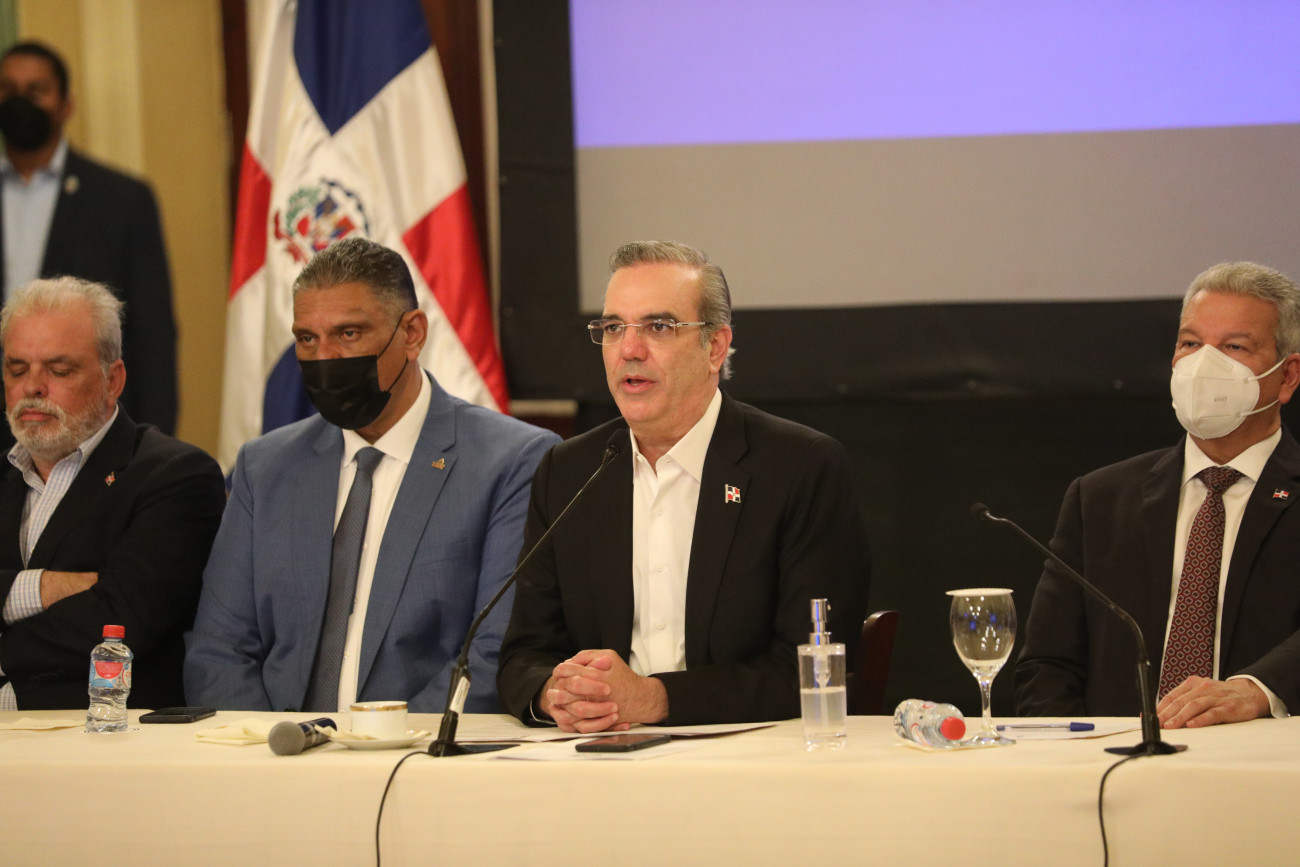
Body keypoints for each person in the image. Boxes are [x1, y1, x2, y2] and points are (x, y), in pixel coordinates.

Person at [496, 240, 870, 731]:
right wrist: (555, 693)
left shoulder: (800, 467)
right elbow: (525, 653)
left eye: (658, 327)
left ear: (714, 347)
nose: (629, 350)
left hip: (748, 755)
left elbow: (809, 666)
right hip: (594, 755)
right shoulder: (568, 472)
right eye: (613, 328)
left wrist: (656, 699)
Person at [185, 237, 559, 713]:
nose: (325, 358)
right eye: (307, 339)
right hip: (274, 751)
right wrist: (271, 749)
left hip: (417, 752)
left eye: (349, 334)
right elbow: (219, 650)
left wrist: (377, 749)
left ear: (412, 334)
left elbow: (493, 657)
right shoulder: (265, 466)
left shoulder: (512, 461)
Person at [1017, 262, 1300, 728]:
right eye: (1190, 343)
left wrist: (1258, 690)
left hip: (1266, 761)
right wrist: (1080, 756)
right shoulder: (1100, 498)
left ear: (1287, 376)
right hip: (1116, 761)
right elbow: (1047, 666)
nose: (1204, 365)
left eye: (1234, 347)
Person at [0, 277, 223, 710]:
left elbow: (118, 623)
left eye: (58, 370)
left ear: (113, 379)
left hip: (101, 735)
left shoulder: (175, 475)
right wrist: (41, 587)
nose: (32, 387)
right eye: (17, 369)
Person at [0, 41, 176, 437]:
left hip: (88, 430)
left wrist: (152, 444)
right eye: (8, 90)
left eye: (36, 90)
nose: (19, 101)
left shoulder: (122, 199)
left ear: (66, 104)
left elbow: (152, 335)